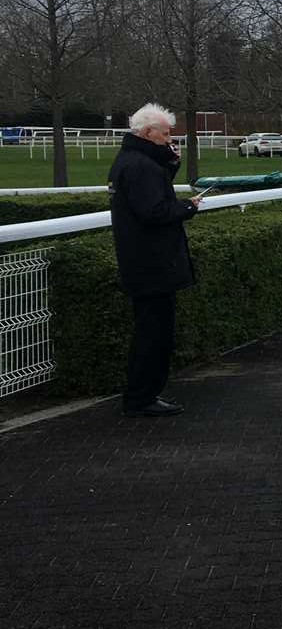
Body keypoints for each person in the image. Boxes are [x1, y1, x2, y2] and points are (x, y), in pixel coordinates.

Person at [107, 103, 201, 417]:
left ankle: (142, 394)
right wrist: (188, 207)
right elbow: (155, 211)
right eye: (165, 133)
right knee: (154, 335)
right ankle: (142, 397)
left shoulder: (130, 161)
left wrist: (171, 164)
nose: (169, 138)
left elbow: (152, 196)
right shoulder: (140, 167)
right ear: (148, 133)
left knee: (151, 331)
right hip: (152, 265)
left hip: (142, 263)